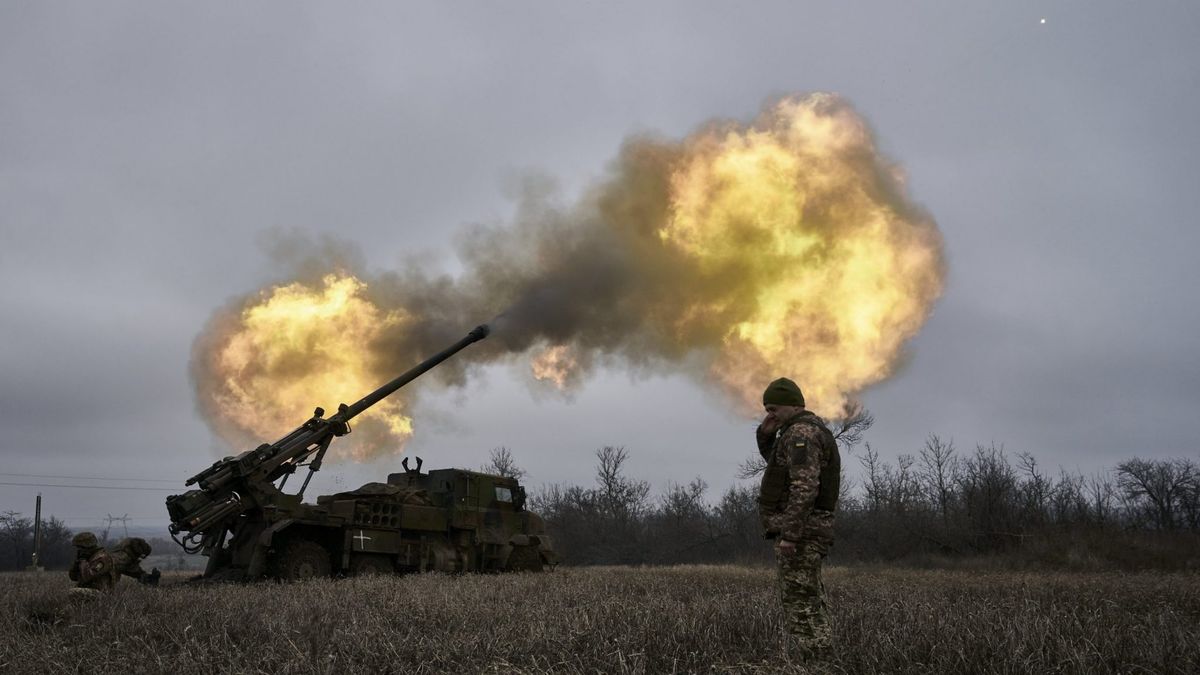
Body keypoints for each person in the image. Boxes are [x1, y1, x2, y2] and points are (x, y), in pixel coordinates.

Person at [755, 377, 841, 658]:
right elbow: (781, 467)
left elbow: (804, 487)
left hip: (802, 534)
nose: (770, 414)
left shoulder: (801, 434)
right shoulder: (800, 431)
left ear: (793, 405)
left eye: (774, 408)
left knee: (800, 602)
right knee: (809, 598)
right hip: (808, 530)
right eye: (767, 409)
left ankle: (820, 664)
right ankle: (822, 659)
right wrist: (766, 436)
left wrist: (791, 535)